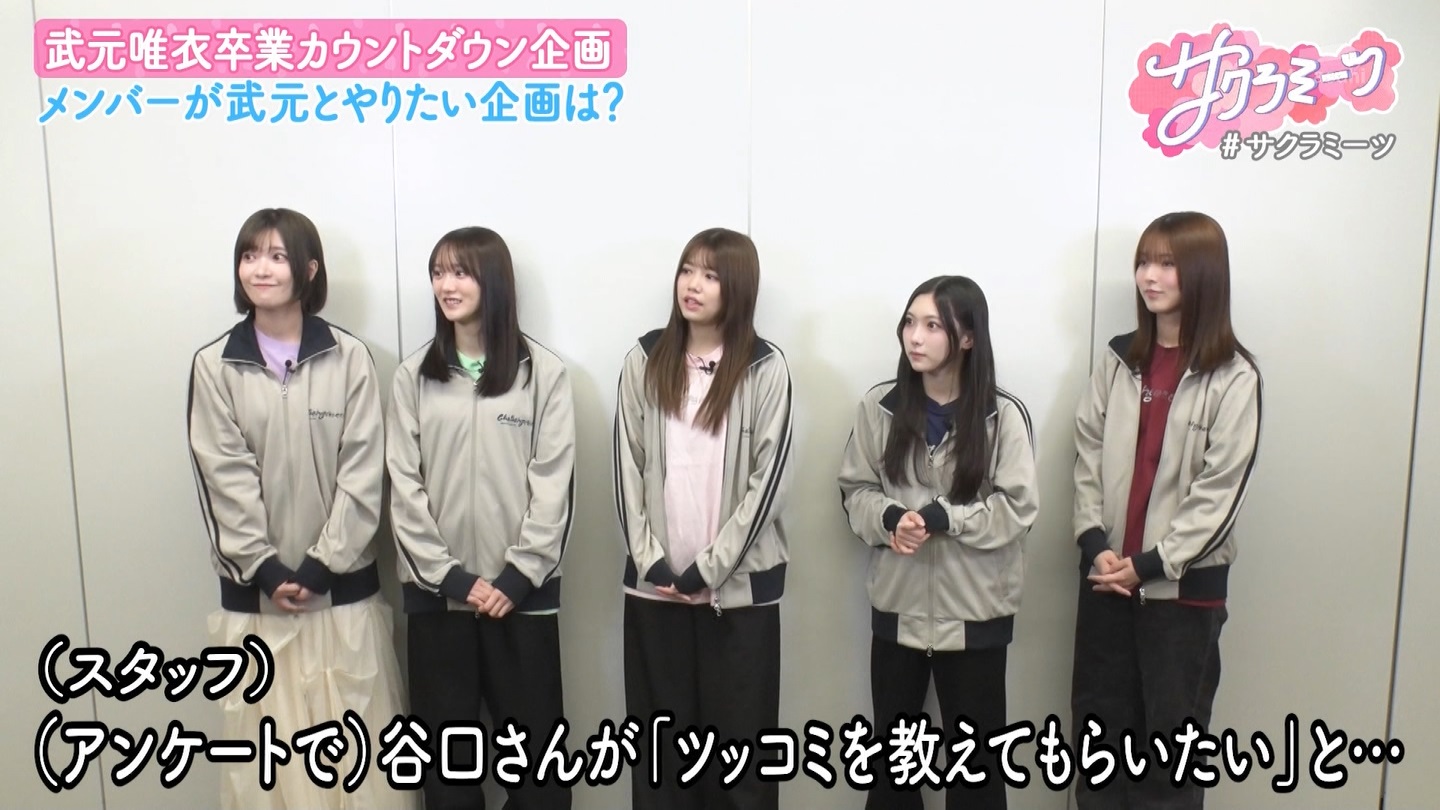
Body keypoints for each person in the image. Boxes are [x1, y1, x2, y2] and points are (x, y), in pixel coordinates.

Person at [187, 207, 412, 809]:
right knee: (271, 778)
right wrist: (265, 568)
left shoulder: (350, 357)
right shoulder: (215, 365)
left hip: (342, 598)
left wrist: (320, 566)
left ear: (309, 270)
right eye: (249, 256)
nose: (260, 269)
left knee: (359, 775)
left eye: (277, 256)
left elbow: (363, 473)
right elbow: (222, 476)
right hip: (257, 606)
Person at [1071, 211, 1262, 810]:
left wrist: (1152, 563)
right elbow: (1086, 453)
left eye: (1167, 264)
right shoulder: (1119, 359)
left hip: (1180, 596)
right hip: (1107, 581)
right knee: (1099, 749)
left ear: (1203, 273)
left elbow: (1220, 492)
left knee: (1169, 765)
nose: (1148, 276)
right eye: (1143, 262)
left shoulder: (1234, 376)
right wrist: (1093, 543)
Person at [387, 226, 576, 810]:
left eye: (461, 272)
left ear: (493, 280)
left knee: (541, 777)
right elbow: (404, 487)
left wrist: (517, 577)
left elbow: (554, 485)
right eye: (438, 272)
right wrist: (450, 578)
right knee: (448, 776)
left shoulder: (543, 373)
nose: (446, 285)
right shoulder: (413, 376)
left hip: (521, 598)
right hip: (438, 600)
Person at [838, 275, 1038, 810]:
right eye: (910, 322)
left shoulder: (1003, 415)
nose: (915, 337)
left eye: (932, 325)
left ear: (967, 338)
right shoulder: (879, 407)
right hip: (898, 613)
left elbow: (1018, 510)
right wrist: (890, 519)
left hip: (975, 618)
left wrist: (946, 517)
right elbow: (855, 490)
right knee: (893, 775)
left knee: (976, 778)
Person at [613, 227, 793, 810]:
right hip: (656, 592)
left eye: (711, 275)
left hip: (736, 597)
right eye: (688, 270)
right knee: (662, 763)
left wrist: (708, 569)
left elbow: (769, 483)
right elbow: (626, 468)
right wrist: (653, 563)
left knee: (740, 766)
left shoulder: (765, 367)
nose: (693, 284)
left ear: (737, 286)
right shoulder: (645, 359)